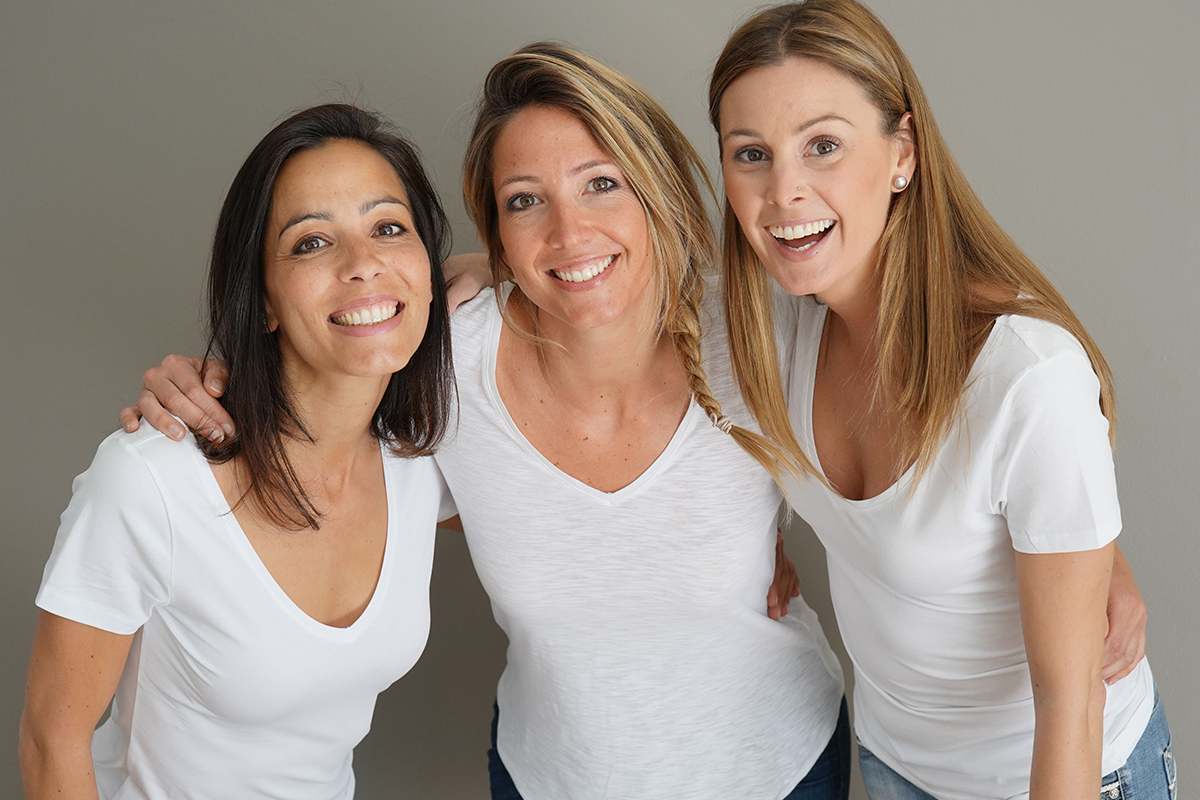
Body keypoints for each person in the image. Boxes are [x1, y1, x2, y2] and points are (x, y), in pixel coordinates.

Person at [119, 42, 1150, 800]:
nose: (571, 231)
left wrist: (1098, 561)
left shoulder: (755, 334)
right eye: (525, 202)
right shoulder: (446, 360)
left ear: (656, 191)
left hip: (793, 770)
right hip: (548, 776)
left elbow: (992, 392)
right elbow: (322, 449)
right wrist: (211, 387)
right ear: (492, 227)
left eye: (602, 184)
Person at [709, 1, 1173, 798]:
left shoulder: (1026, 375)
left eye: (823, 145)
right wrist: (469, 273)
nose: (785, 190)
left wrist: (1094, 558)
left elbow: (1071, 704)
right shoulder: (772, 326)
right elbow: (594, 264)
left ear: (903, 152)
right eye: (752, 153)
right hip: (894, 763)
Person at [20, 104, 457, 799]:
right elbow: (51, 743)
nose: (364, 265)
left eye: (388, 229)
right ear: (262, 302)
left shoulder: (427, 465)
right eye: (313, 242)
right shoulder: (149, 483)